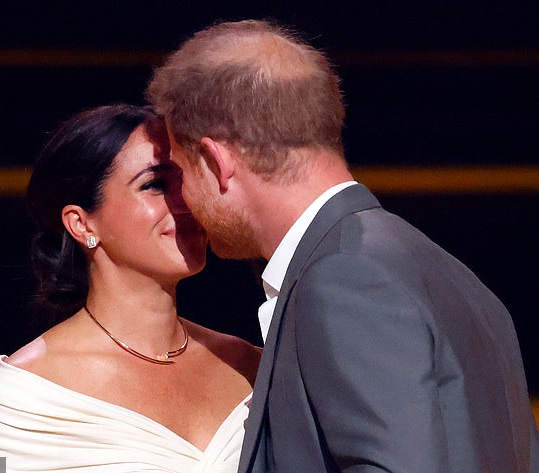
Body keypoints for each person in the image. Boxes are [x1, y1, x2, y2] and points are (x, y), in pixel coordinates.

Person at [146, 19, 539, 473]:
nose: (183, 201)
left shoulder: (345, 279)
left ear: (217, 162)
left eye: (179, 174)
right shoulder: (453, 277)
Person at [0, 104, 261, 472]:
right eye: (155, 184)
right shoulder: (19, 401)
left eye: (186, 181)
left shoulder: (250, 365)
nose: (186, 202)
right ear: (82, 224)